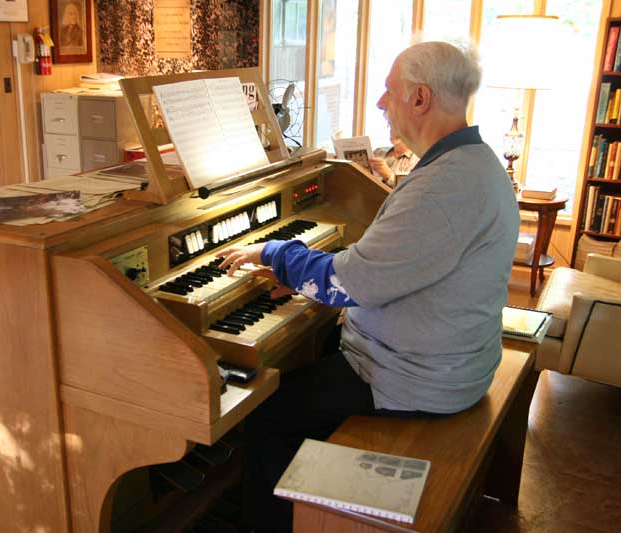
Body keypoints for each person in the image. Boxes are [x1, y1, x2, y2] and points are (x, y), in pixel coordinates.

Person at [215, 40, 519, 533]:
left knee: (266, 413)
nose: (381, 103)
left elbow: (346, 282)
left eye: (389, 91)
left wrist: (273, 253)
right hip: (447, 357)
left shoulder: (445, 185)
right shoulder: (469, 163)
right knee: (308, 354)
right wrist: (302, 276)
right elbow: (383, 268)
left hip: (416, 378)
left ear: (420, 99)